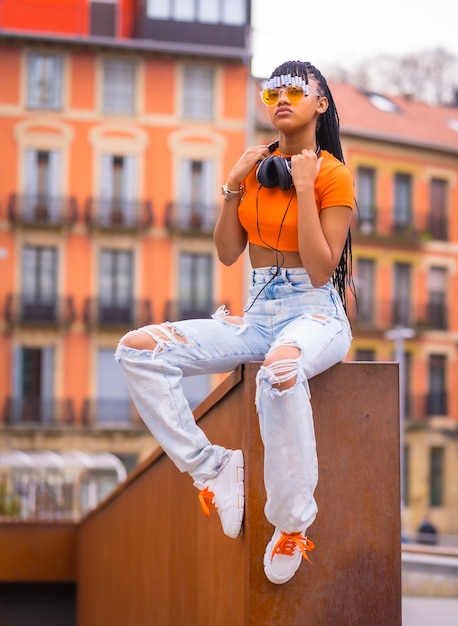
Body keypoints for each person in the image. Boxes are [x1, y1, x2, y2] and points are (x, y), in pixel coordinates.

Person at [115, 60, 355, 584]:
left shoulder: (333, 176)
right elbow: (228, 254)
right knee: (137, 349)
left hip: (315, 315)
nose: (282, 99)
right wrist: (231, 187)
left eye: (296, 90)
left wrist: (307, 185)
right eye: (273, 93)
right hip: (257, 316)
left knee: (279, 373)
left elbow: (320, 268)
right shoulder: (255, 170)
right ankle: (213, 468)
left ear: (321, 103)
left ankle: (292, 524)